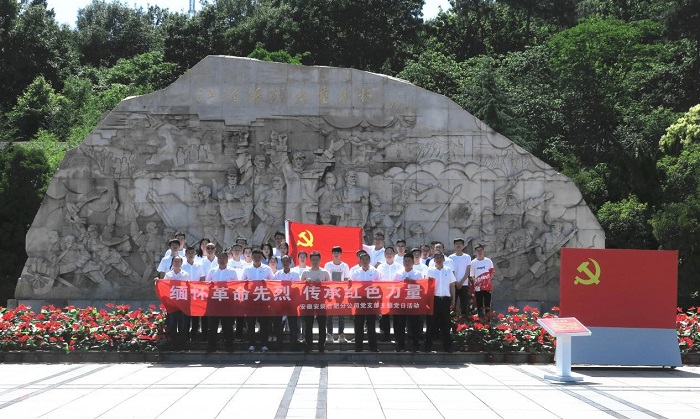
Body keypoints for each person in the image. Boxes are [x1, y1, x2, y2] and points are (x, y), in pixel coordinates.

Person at [240, 248, 275, 352]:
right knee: (250, 324)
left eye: (259, 256)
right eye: (255, 256)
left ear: (262, 257)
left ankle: (264, 344)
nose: (256, 258)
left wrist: (266, 283)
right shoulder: (247, 269)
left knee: (264, 324)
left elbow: (273, 282)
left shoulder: (267, 269)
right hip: (250, 300)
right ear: (252, 257)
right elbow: (241, 283)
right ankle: (251, 344)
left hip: (263, 299)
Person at [205, 252, 238, 352]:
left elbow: (236, 286)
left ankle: (229, 346)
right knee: (212, 326)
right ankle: (212, 347)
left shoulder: (232, 272)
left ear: (227, 259)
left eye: (224, 258)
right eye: (220, 257)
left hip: (227, 302)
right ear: (217, 259)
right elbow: (207, 285)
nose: (222, 259)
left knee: (228, 325)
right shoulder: (212, 271)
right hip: (214, 302)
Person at [425, 251, 456, 353]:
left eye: (440, 257)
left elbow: (452, 285)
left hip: (445, 300)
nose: (438, 259)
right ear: (434, 260)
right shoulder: (430, 271)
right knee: (431, 323)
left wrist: (453, 299)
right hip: (434, 299)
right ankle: (428, 346)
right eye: (437, 258)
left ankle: (448, 347)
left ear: (443, 259)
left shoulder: (448, 270)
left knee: (446, 324)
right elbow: (425, 286)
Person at [300, 251, 330, 353]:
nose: (315, 261)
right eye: (313, 259)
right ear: (310, 260)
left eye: (317, 259)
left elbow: (330, 286)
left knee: (322, 325)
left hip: (321, 302)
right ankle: (309, 345)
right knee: (308, 325)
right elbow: (300, 287)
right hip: (309, 302)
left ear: (320, 260)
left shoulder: (324, 272)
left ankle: (321, 345)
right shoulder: (305, 272)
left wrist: (322, 283)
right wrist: (305, 282)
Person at [351, 251, 380, 352]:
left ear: (370, 260)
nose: (365, 261)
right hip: (359, 300)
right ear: (360, 261)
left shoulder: (375, 271)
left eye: (367, 259)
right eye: (363, 259)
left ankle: (373, 347)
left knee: (371, 325)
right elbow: (351, 286)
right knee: (358, 324)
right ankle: (358, 347)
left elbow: (380, 285)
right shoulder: (355, 272)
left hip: (371, 300)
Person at [394, 254, 424, 352]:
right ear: (403, 262)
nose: (407, 263)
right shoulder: (398, 273)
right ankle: (400, 345)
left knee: (414, 324)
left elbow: (422, 287)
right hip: (401, 303)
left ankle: (415, 345)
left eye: (409, 261)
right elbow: (394, 288)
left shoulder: (418, 274)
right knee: (401, 324)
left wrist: (413, 282)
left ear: (413, 262)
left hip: (413, 302)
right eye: (405, 261)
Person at [161, 255, 190, 350]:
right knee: (172, 323)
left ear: (181, 263)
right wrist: (158, 281)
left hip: (182, 303)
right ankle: (173, 343)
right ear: (172, 263)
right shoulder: (168, 275)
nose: (177, 263)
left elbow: (188, 287)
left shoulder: (186, 274)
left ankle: (182, 344)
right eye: (175, 261)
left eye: (178, 261)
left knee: (183, 324)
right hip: (172, 303)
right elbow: (164, 286)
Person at [323, 246, 351, 343]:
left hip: (341, 293)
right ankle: (329, 335)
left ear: (341, 254)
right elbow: (325, 279)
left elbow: (346, 279)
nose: (336, 254)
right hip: (330, 293)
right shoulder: (328, 265)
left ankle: (341, 335)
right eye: (334, 252)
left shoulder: (345, 266)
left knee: (341, 315)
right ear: (332, 254)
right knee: (329, 315)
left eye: (338, 252)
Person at [275, 255, 301, 350]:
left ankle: (294, 345)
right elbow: (274, 288)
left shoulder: (295, 274)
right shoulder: (277, 274)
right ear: (281, 263)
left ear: (290, 262)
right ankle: (279, 345)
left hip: (292, 303)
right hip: (280, 303)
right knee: (279, 325)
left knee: (293, 325)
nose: (285, 263)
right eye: (283, 261)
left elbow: (298, 287)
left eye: (287, 261)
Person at [377, 246, 403, 341]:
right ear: (384, 255)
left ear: (394, 254)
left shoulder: (399, 267)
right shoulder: (380, 267)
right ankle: (386, 336)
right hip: (384, 295)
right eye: (387, 253)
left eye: (391, 252)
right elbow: (377, 280)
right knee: (385, 316)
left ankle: (397, 336)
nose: (389, 254)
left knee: (397, 316)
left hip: (396, 294)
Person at [182, 246, 205, 341]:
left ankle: (194, 334)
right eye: (189, 253)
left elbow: (202, 278)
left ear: (195, 254)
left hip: (196, 293)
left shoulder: (199, 265)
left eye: (192, 253)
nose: (190, 255)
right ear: (185, 254)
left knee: (196, 315)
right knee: (186, 316)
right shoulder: (182, 266)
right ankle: (186, 335)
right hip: (185, 294)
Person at [470, 244, 496, 321]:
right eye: (477, 251)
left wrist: (487, 281)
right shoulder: (473, 263)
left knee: (488, 304)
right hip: (478, 288)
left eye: (481, 250)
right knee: (479, 305)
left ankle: (488, 321)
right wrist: (478, 282)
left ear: (483, 251)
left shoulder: (488, 261)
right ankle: (481, 322)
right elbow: (472, 276)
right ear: (475, 252)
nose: (479, 252)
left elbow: (492, 272)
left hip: (487, 287)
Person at [450, 238, 472, 316]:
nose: (458, 245)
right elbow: (450, 272)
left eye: (460, 243)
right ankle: (453, 321)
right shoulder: (450, 258)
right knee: (453, 304)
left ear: (463, 246)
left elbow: (467, 271)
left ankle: (465, 321)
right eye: (456, 244)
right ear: (454, 245)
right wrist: (456, 282)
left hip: (464, 284)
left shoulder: (467, 257)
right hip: (453, 284)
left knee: (465, 305)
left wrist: (461, 282)